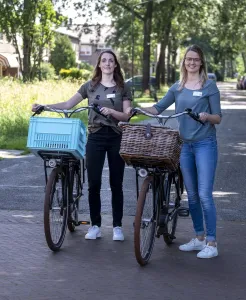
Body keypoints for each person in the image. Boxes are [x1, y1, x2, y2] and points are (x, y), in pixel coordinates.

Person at [127, 44, 222, 258]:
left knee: (205, 194)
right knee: (193, 196)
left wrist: (207, 117)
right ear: (184, 62)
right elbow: (158, 108)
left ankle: (212, 243)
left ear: (201, 62)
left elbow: (218, 117)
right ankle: (199, 238)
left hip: (205, 143)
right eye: (188, 59)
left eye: (195, 59)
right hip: (185, 145)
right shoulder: (178, 86)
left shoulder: (209, 86)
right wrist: (139, 109)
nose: (191, 62)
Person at [32, 50, 132, 241]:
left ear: (116, 65)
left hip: (116, 136)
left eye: (111, 61)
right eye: (104, 61)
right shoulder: (90, 86)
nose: (108, 63)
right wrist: (44, 106)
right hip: (95, 136)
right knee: (94, 183)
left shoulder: (123, 87)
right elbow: (69, 104)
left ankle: (117, 226)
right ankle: (95, 225)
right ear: (99, 65)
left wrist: (112, 111)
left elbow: (127, 115)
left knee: (116, 183)